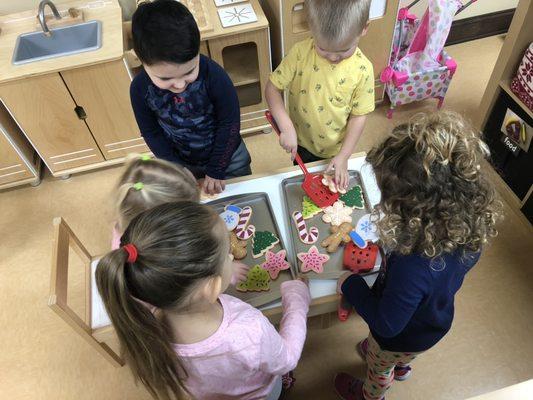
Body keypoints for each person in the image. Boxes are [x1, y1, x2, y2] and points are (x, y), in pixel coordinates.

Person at [334, 112, 501, 400]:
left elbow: (387, 324)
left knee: (378, 365)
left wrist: (352, 287)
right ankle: (400, 366)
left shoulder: (413, 266)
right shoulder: (468, 231)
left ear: (414, 211)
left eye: (388, 198)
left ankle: (371, 393)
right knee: (400, 355)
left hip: (398, 336)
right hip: (433, 324)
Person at [96, 201, 311, 400]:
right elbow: (287, 359)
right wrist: (296, 298)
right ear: (212, 287)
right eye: (227, 254)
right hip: (257, 394)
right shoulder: (250, 330)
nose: (230, 257)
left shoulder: (142, 320)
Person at [130, 0, 252, 195]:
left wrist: (217, 168)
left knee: (242, 198)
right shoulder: (139, 89)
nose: (179, 85)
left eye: (189, 72)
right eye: (165, 78)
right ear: (141, 60)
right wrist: (176, 168)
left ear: (197, 51)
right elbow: (151, 132)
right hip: (182, 163)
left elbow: (229, 123)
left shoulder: (214, 75)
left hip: (228, 159)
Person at [266, 0, 374, 189]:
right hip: (301, 142)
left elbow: (359, 116)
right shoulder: (300, 53)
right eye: (323, 49)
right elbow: (272, 88)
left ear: (364, 28)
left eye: (343, 51)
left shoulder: (363, 70)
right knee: (305, 185)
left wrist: (345, 155)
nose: (332, 58)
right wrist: (286, 126)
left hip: (336, 149)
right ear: (311, 27)